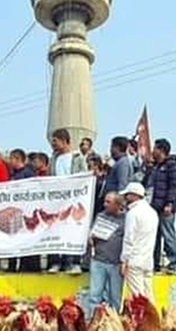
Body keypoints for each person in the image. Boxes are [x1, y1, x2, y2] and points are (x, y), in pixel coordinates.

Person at [49, 128, 86, 274]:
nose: (53, 145)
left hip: (74, 202)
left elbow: (84, 178)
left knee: (73, 230)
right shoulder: (54, 159)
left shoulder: (77, 158)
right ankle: (55, 262)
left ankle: (73, 262)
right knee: (55, 230)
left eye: (55, 141)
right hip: (57, 202)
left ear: (65, 141)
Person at [85, 192, 125, 312]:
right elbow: (92, 233)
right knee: (94, 295)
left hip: (116, 264)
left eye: (108, 202)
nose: (104, 204)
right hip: (98, 261)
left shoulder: (126, 219)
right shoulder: (100, 216)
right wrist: (91, 238)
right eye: (105, 201)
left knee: (115, 297)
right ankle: (92, 321)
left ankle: (114, 322)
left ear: (117, 205)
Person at [146, 139, 176, 272]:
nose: (152, 151)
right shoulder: (155, 166)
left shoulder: (172, 165)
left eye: (154, 148)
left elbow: (174, 186)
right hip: (153, 206)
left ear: (161, 150)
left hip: (166, 207)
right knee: (153, 236)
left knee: (168, 234)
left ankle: (173, 262)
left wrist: (170, 203)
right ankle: (154, 263)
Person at [120, 182, 158, 302]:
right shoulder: (152, 212)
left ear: (133, 195)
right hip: (148, 259)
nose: (125, 198)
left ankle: (142, 321)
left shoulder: (133, 213)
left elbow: (129, 239)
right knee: (148, 294)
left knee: (138, 298)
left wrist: (124, 260)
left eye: (127, 195)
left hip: (134, 259)